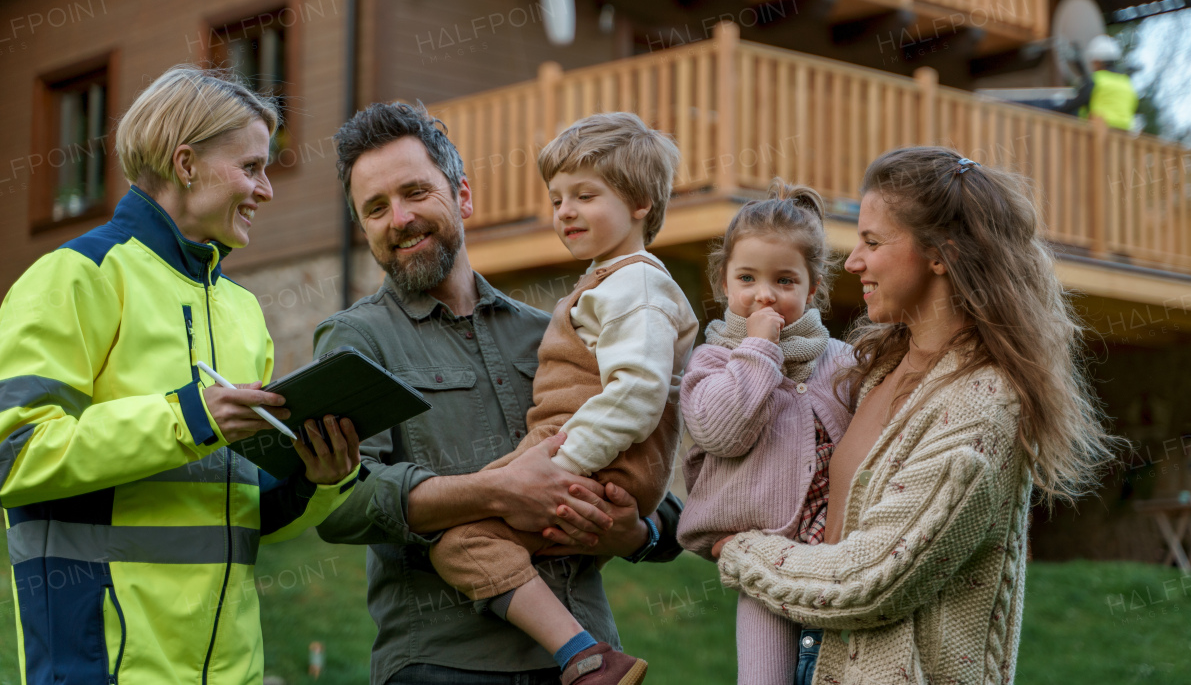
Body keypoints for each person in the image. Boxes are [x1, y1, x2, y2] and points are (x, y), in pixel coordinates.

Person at [0, 67, 362, 685]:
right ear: (186, 162)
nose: (267, 190)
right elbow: (15, 454)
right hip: (102, 667)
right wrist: (189, 417)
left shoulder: (245, 312)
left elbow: (246, 513)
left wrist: (317, 480)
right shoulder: (74, 276)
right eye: (252, 167)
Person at [710, 148, 1118, 685]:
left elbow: (871, 578)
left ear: (939, 255)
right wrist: (653, 525)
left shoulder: (982, 404)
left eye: (872, 242)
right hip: (810, 648)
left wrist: (736, 549)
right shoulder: (877, 365)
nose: (852, 260)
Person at [314, 104, 687, 685]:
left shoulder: (548, 330)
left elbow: (649, 468)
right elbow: (341, 504)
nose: (400, 218)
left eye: (416, 192)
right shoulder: (356, 340)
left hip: (594, 664)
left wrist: (637, 531)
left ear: (462, 196)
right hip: (444, 665)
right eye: (376, 208)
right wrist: (494, 491)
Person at [427, 112, 699, 685]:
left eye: (585, 195)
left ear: (641, 202)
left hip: (587, 457)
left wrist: (555, 466)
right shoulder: (612, 280)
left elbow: (636, 395)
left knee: (463, 540)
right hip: (589, 457)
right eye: (556, 200)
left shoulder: (634, 287)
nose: (565, 212)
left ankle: (586, 657)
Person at [677, 180, 854, 685]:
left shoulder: (841, 361)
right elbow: (721, 433)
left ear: (812, 287)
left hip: (834, 558)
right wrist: (757, 350)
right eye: (748, 277)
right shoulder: (713, 362)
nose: (764, 294)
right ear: (723, 282)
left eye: (785, 281)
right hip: (759, 559)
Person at [1055, 34, 1138, 130]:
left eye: (1093, 62)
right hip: (1123, 136)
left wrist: (1055, 111)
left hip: (1098, 133)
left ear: (1098, 61)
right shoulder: (1127, 84)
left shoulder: (1097, 79)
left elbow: (1077, 102)